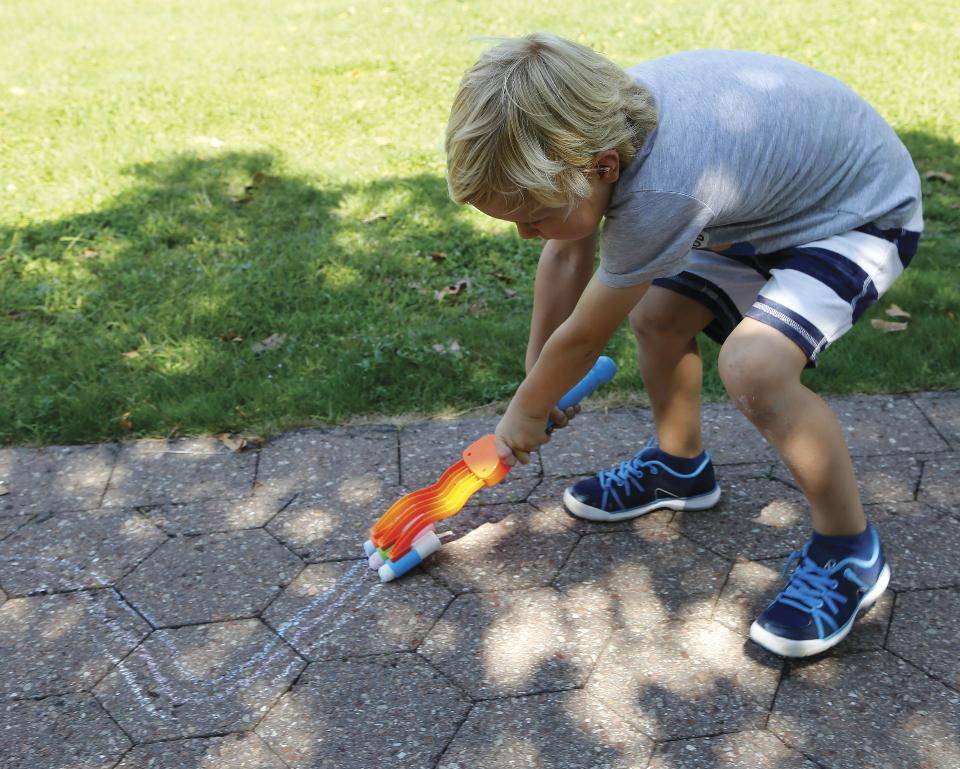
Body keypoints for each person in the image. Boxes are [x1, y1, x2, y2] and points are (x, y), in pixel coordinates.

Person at [443, 33, 922, 657]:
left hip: (858, 216)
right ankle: (680, 467)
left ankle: (849, 552)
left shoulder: (660, 190)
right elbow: (565, 253)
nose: (524, 234)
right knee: (658, 315)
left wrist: (526, 411)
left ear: (603, 168)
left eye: (532, 217)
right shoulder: (588, 131)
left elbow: (586, 334)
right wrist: (539, 379)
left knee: (755, 368)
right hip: (763, 210)